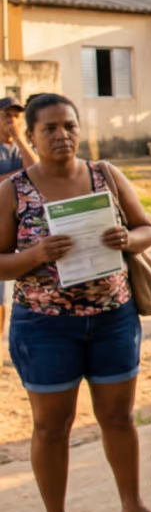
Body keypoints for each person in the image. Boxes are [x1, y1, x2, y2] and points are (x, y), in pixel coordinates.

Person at [0, 94, 151, 512]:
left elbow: (147, 228)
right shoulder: (13, 190)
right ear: (32, 137)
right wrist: (36, 254)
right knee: (51, 427)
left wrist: (128, 240)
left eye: (70, 126)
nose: (62, 135)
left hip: (113, 318)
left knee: (118, 419)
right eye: (50, 129)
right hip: (45, 326)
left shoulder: (105, 175)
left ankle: (132, 505)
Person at [0, 96, 37, 348]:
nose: (11, 121)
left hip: (22, 230)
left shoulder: (23, 147)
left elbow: (37, 169)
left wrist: (20, 138)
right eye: (6, 116)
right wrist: (20, 176)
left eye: (16, 116)